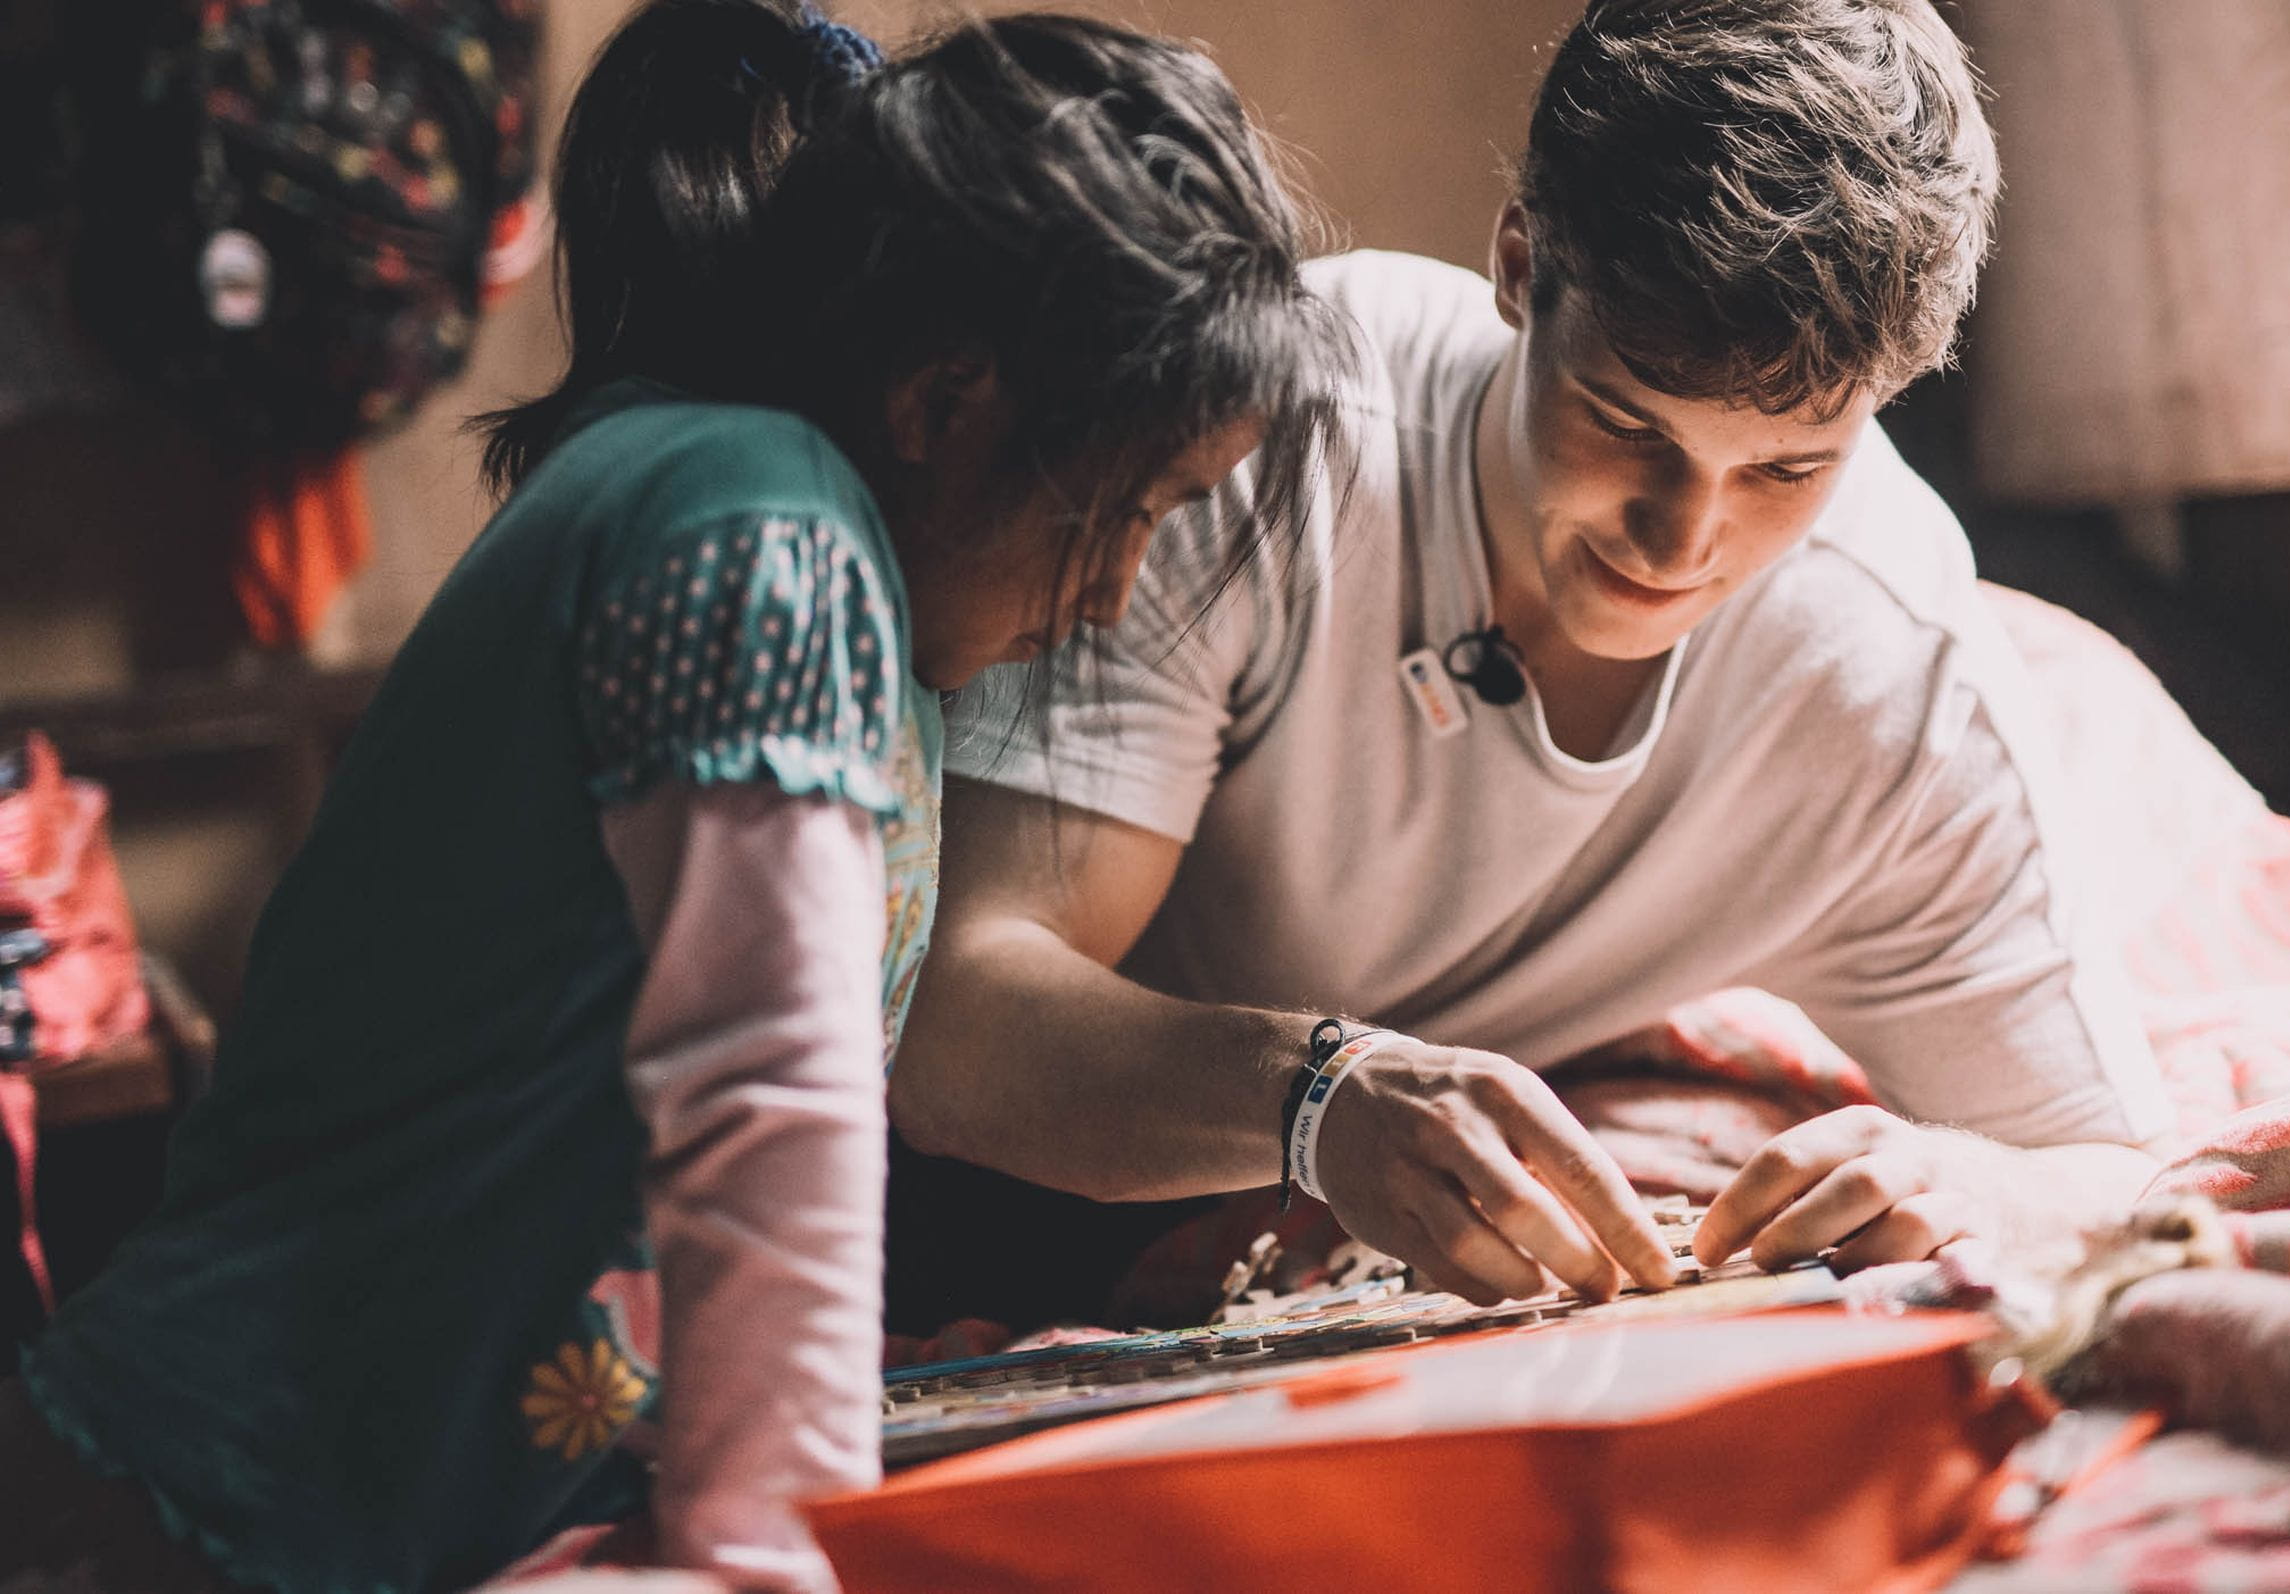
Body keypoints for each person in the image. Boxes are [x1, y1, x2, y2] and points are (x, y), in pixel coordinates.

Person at [0, 3, 1339, 1590]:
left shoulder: (821, 570)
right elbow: (767, 1111)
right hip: (195, 1519)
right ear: (946, 403)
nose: (1115, 595)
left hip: (378, 1506)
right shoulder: (764, 540)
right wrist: (769, 1551)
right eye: (1122, 513)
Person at [886, 0, 2178, 1332]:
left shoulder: (1889, 676)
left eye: (1787, 469)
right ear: (1518, 263)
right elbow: (954, 1022)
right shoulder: (1265, 444)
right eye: (1628, 424)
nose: (1685, 539)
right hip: (1020, 1194)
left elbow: (2117, 1166)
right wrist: (1318, 1095)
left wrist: (1973, 1182)